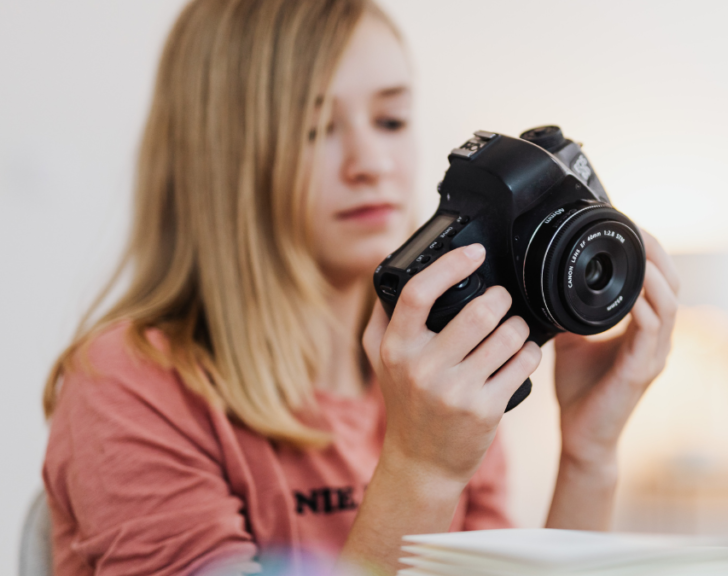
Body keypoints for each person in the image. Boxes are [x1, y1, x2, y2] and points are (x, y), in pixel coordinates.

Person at [41, 0, 681, 574]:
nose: (370, 163)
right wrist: (421, 469)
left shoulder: (443, 362)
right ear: (221, 155)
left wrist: (588, 456)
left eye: (392, 120)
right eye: (316, 128)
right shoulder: (130, 388)